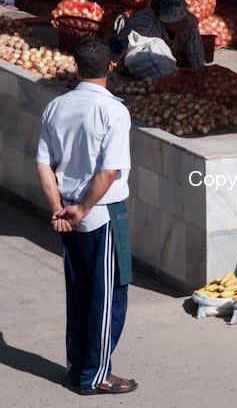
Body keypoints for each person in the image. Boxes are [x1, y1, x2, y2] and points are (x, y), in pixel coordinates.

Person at [36, 37, 137, 395]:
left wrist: (59, 208)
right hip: (102, 214)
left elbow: (44, 164)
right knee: (109, 296)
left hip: (67, 213)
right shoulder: (113, 111)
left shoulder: (56, 107)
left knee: (80, 292)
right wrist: (84, 208)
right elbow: (110, 171)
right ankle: (96, 374)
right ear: (110, 66)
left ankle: (79, 365)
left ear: (76, 67)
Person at [116, 0, 205, 68]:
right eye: (179, 21)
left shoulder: (189, 22)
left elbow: (196, 53)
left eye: (184, 17)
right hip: (125, 52)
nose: (184, 22)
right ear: (166, 22)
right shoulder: (148, 32)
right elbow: (142, 60)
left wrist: (200, 72)